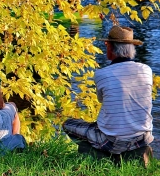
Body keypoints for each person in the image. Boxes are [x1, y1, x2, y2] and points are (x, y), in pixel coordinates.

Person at [63, 26, 154, 155]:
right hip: (143, 138)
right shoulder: (146, 70)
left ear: (111, 47)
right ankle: (135, 154)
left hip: (111, 141)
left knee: (68, 124)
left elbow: (101, 100)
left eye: (106, 44)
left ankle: (98, 154)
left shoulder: (102, 74)